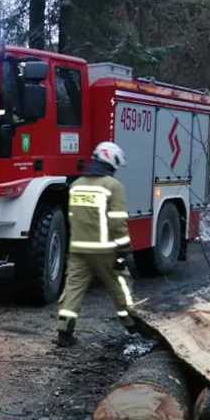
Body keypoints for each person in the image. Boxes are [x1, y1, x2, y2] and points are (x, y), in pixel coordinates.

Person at [56, 141, 138, 347]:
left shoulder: (76, 186)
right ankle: (134, 327)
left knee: (73, 289)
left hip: (78, 249)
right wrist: (123, 249)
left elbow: (72, 217)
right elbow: (118, 221)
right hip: (105, 251)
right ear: (110, 161)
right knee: (121, 288)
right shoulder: (113, 186)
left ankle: (64, 331)